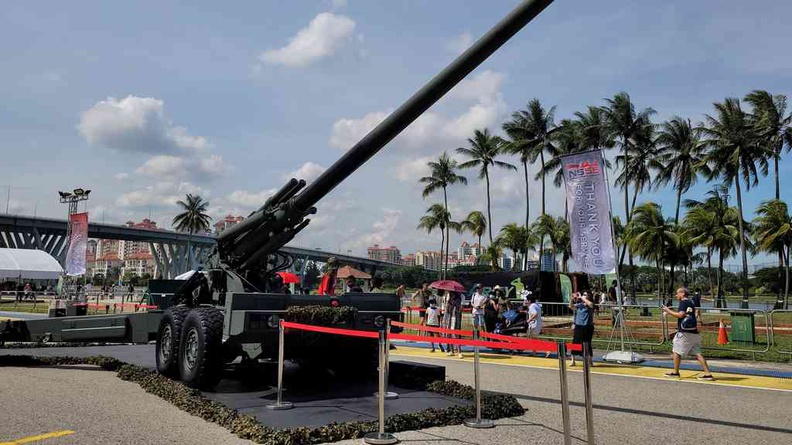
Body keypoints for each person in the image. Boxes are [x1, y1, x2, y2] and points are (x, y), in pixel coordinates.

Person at [662, 287, 714, 380]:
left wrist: (667, 310)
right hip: (694, 331)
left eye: (677, 293)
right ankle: (707, 373)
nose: (676, 295)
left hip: (684, 332)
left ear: (682, 293)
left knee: (676, 351)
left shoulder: (683, 302)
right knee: (697, 353)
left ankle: (676, 372)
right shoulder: (691, 302)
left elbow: (680, 315)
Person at [570, 291, 595, 367]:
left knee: (587, 343)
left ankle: (590, 361)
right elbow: (571, 307)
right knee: (575, 342)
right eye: (583, 294)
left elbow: (591, 305)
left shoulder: (589, 304)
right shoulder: (580, 305)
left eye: (585, 295)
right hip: (579, 326)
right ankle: (573, 360)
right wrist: (571, 299)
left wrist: (582, 298)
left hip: (588, 327)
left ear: (588, 296)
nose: (583, 296)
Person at [443, 290, 464, 358]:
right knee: (449, 334)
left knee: (457, 334)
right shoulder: (449, 298)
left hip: (456, 318)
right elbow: (447, 309)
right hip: (450, 317)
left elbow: (461, 309)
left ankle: (459, 352)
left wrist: (457, 307)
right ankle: (451, 350)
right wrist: (448, 305)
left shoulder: (460, 297)